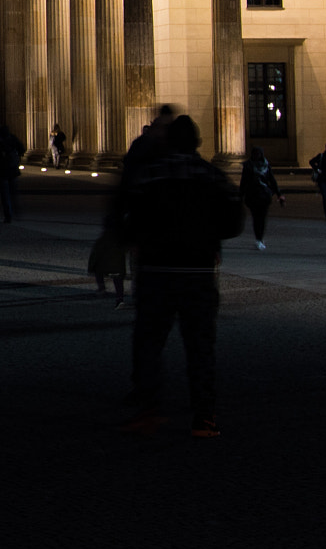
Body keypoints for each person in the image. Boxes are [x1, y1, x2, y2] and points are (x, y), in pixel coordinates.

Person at [111, 114, 243, 438]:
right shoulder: (212, 176)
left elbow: (128, 219)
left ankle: (149, 411)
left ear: (168, 142)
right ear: (197, 144)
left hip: (156, 271)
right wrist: (207, 237)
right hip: (197, 272)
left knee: (149, 344)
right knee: (200, 346)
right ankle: (204, 417)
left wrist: (143, 239)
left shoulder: (150, 175)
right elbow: (234, 222)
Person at [240, 147, 283, 250]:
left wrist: (279, 194)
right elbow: (244, 182)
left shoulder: (265, 165)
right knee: (256, 218)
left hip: (263, 196)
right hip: (253, 195)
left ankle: (259, 238)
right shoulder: (248, 166)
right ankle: (258, 238)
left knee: (262, 218)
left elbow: (272, 180)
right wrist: (241, 195)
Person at [0, 124, 23, 222]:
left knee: (5, 194)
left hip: (1, 171)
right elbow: (22, 149)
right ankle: (16, 212)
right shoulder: (12, 138)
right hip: (12, 169)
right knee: (13, 192)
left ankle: (8, 215)